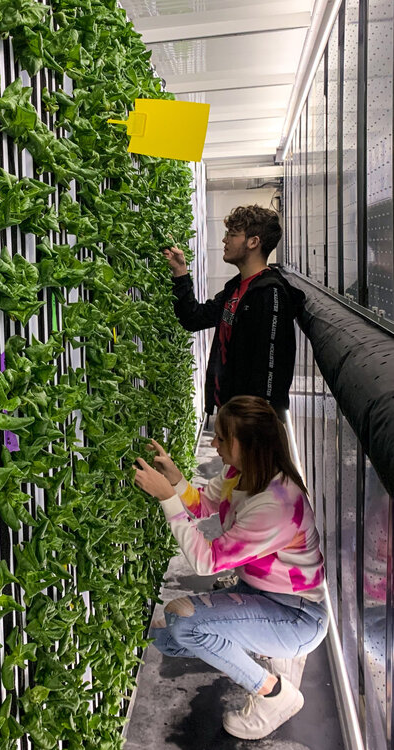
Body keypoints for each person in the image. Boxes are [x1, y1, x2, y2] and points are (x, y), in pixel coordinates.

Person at [133, 396, 328, 740]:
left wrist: (167, 500)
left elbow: (206, 561)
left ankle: (273, 693)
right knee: (166, 637)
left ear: (246, 444)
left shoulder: (276, 504)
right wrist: (176, 480)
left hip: (298, 615)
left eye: (222, 438)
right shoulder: (241, 473)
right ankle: (267, 648)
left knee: (187, 624)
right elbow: (206, 504)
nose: (213, 443)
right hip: (262, 594)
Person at [164, 205, 305, 417]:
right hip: (230, 415)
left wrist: (252, 428)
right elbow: (193, 318)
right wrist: (180, 272)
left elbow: (270, 371)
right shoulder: (237, 288)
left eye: (232, 234)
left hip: (249, 427)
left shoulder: (270, 294)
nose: (224, 240)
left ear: (253, 242)